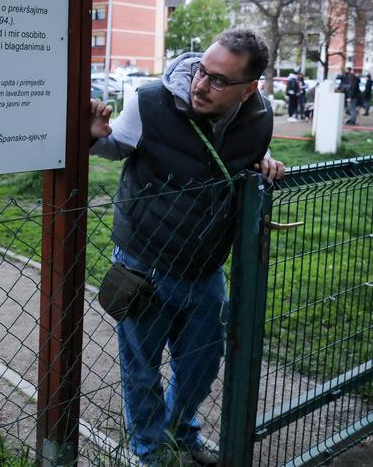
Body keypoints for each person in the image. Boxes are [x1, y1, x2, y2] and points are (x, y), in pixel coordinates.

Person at [89, 29, 285, 465]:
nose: (200, 83)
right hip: (144, 262)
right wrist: (93, 134)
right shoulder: (151, 100)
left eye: (218, 81)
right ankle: (150, 452)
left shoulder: (259, 116)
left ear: (249, 89)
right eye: (202, 70)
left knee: (201, 368)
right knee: (141, 371)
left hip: (206, 267)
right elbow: (114, 145)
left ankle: (179, 428)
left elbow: (246, 154)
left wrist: (265, 161)